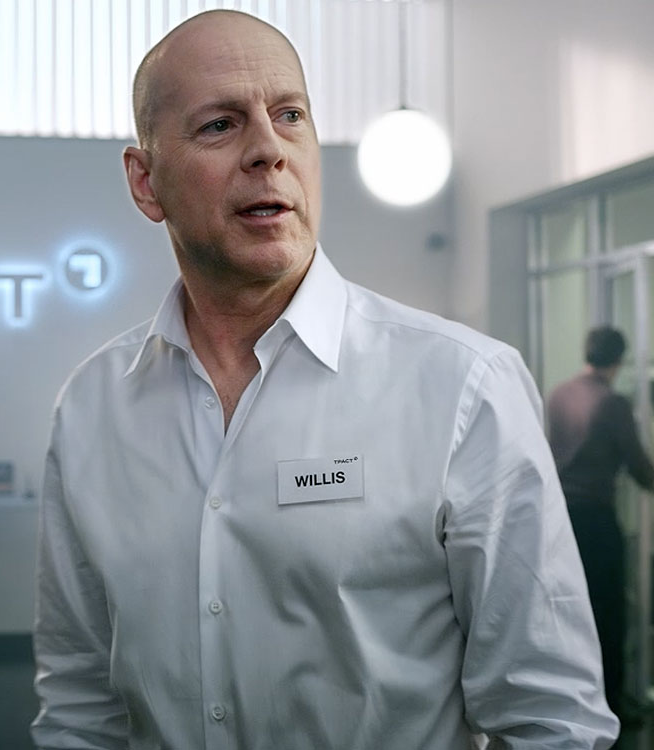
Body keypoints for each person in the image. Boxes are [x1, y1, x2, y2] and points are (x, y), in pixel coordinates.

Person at [31, 10, 617, 749]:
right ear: (146, 183)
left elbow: (551, 718)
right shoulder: (93, 407)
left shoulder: (464, 388)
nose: (268, 150)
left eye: (290, 116)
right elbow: (82, 701)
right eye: (220, 125)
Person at [547, 325, 654, 716]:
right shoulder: (612, 402)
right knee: (608, 611)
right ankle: (611, 703)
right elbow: (639, 466)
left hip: (559, 521)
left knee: (569, 612)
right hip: (596, 519)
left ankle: (571, 699)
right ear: (619, 360)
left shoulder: (558, 394)